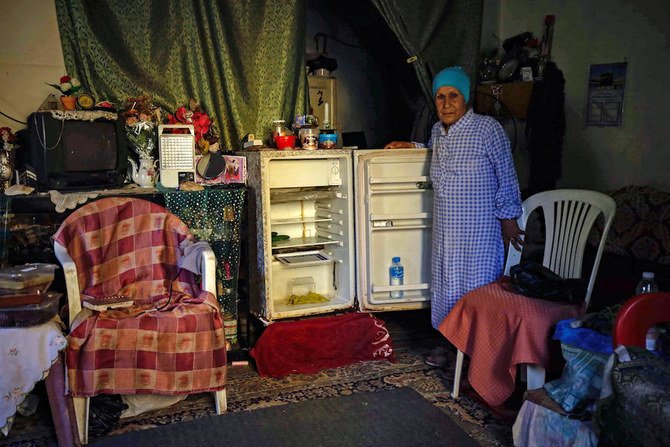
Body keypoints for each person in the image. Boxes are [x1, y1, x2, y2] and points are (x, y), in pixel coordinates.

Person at [385, 66, 524, 366]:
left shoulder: (487, 129)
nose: (446, 104)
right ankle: (449, 346)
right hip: (448, 229)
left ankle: (478, 356)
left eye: (453, 96)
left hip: (480, 230)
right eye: (440, 97)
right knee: (448, 284)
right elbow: (431, 148)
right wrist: (409, 146)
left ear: (466, 99)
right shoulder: (438, 131)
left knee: (477, 286)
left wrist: (510, 219)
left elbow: (507, 175)